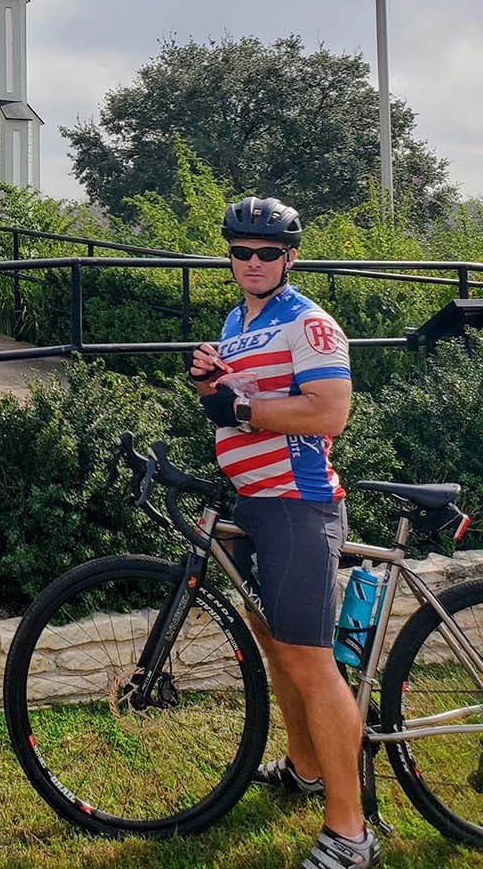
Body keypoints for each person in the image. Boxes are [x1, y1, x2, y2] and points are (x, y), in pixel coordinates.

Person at [189, 195, 380, 869]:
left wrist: (240, 405)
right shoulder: (239, 318)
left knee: (309, 660)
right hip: (255, 501)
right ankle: (303, 768)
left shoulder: (309, 323)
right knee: (278, 651)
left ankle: (351, 835)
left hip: (297, 503)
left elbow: (329, 411)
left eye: (267, 253)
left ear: (290, 257)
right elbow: (244, 404)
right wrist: (214, 384)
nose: (253, 262)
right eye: (241, 252)